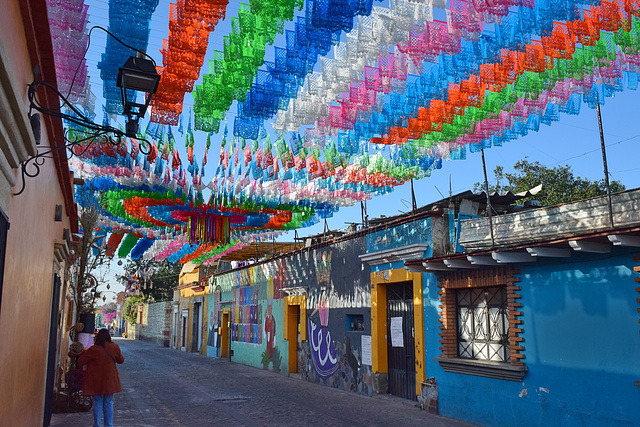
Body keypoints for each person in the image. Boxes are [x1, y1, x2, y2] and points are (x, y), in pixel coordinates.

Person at [78, 328, 125, 427]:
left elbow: (81, 361)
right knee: (108, 402)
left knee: (97, 401)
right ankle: (109, 424)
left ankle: (97, 424)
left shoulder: (94, 349)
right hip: (110, 379)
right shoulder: (114, 347)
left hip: (97, 379)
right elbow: (120, 360)